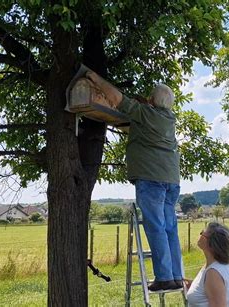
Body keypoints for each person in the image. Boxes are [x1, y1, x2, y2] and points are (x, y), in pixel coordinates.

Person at [86, 71, 182, 291]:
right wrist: (146, 103)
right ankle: (175, 276)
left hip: (151, 180)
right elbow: (147, 114)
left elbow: (119, 100)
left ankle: (164, 277)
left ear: (152, 101)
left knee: (156, 227)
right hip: (171, 181)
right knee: (169, 229)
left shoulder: (146, 114)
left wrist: (96, 79)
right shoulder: (168, 118)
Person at [186, 222, 229, 307]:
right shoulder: (222, 265)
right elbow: (209, 288)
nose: (200, 235)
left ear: (210, 242)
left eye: (202, 233)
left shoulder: (213, 273)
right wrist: (193, 286)